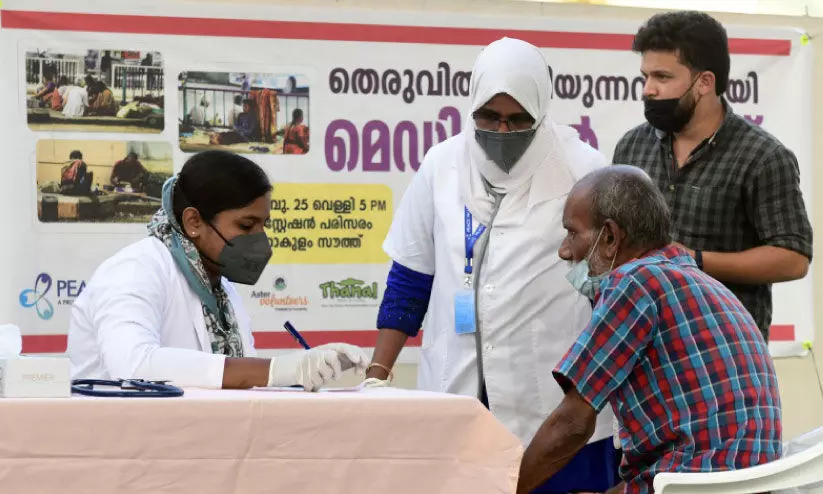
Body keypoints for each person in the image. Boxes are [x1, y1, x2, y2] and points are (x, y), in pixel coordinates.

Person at [364, 37, 619, 493]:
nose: (502, 131)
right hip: (456, 392)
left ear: (542, 110)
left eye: (518, 120)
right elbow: (410, 278)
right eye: (490, 117)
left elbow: (614, 285)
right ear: (472, 105)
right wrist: (376, 376)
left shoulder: (584, 168)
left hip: (554, 403)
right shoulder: (441, 164)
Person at [516, 165, 781, 494]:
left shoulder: (634, 282)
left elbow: (572, 422)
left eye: (572, 232)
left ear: (610, 237)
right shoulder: (700, 282)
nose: (565, 251)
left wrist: (506, 490)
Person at [68, 150, 369, 390]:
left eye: (264, 226)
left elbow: (241, 380)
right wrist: (278, 369)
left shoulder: (221, 289)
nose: (259, 239)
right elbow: (134, 365)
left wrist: (312, 366)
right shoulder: (135, 270)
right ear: (194, 222)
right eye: (247, 225)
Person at [612, 10, 813, 341]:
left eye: (662, 77)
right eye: (644, 77)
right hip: (643, 348)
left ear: (705, 82)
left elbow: (793, 259)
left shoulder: (762, 157)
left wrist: (693, 260)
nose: (648, 89)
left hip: (722, 357)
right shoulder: (632, 147)